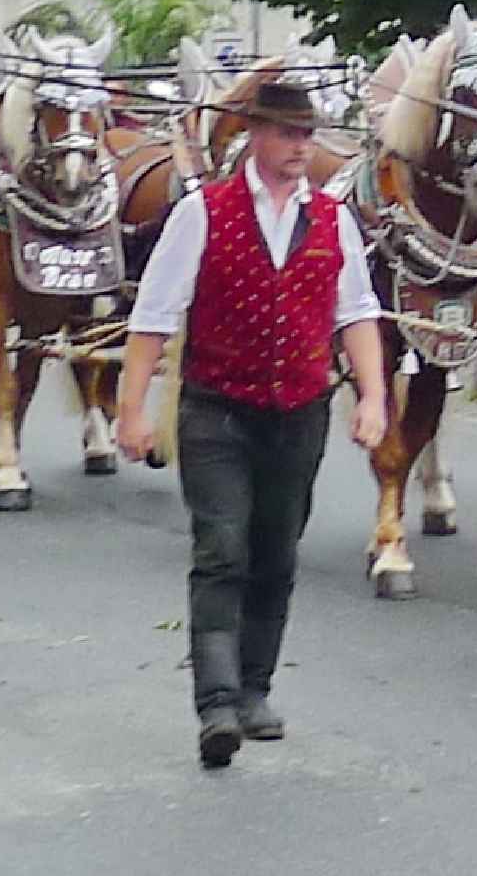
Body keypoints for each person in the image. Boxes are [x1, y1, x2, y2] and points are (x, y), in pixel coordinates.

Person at [113, 82, 387, 769]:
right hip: (218, 409)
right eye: (289, 134)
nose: (301, 148)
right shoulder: (203, 213)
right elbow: (154, 316)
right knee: (222, 550)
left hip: (299, 411)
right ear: (256, 136)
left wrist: (373, 398)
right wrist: (132, 409)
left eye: (308, 135)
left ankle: (255, 689)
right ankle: (216, 703)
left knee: (277, 553)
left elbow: (357, 313)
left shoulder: (333, 220)